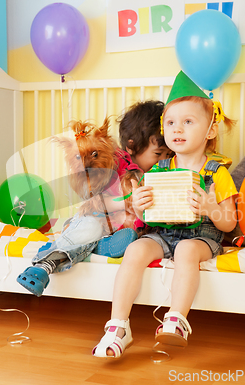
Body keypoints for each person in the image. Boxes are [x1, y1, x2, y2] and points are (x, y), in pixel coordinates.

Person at [92, 71, 238, 358]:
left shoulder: (217, 173)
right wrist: (140, 203)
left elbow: (229, 222)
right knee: (135, 249)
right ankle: (118, 326)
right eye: (170, 123)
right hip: (163, 233)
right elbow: (147, 218)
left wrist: (209, 206)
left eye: (187, 122)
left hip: (201, 237)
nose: (177, 129)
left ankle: (176, 319)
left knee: (185, 250)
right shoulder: (159, 169)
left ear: (210, 130)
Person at [16, 100, 172, 297]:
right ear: (131, 147)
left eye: (168, 154)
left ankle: (101, 246)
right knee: (89, 227)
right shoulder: (116, 165)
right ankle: (45, 264)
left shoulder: (161, 172)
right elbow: (99, 203)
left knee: (124, 235)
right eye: (158, 154)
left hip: (118, 226)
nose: (164, 160)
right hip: (97, 217)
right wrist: (123, 203)